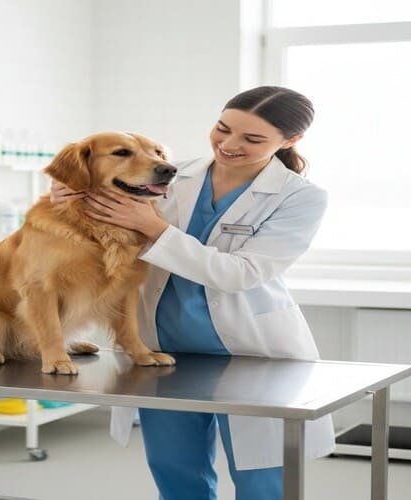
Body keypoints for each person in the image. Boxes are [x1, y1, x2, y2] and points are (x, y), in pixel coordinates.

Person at [51, 86, 335, 500]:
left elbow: (243, 273)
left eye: (252, 139)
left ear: (290, 141)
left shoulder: (301, 198)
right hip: (164, 352)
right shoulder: (165, 174)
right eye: (222, 128)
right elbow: (94, 225)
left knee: (262, 480)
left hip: (251, 354)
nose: (229, 145)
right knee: (176, 473)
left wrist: (154, 229)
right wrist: (68, 195)